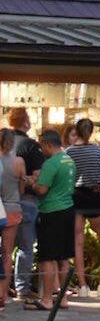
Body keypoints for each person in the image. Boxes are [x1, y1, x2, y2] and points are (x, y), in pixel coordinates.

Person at [25, 130, 76, 312]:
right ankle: (62, 299)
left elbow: (42, 190)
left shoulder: (51, 163)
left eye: (41, 146)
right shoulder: (69, 160)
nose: (41, 150)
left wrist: (31, 182)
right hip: (68, 209)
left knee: (47, 257)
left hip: (51, 211)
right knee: (63, 257)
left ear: (47, 144)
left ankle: (47, 299)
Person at [67, 117, 100, 298]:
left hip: (75, 196)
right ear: (91, 132)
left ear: (77, 131)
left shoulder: (69, 152)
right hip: (94, 196)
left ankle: (82, 287)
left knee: (77, 243)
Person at [8, 107, 43, 301]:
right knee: (25, 245)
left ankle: (3, 287)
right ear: (26, 122)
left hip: (4, 200)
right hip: (26, 201)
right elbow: (38, 176)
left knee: (4, 246)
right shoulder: (30, 145)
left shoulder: (4, 141)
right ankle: (22, 288)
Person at [0, 128, 25, 309]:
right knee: (7, 252)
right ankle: (3, 293)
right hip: (13, 207)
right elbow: (22, 188)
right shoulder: (18, 162)